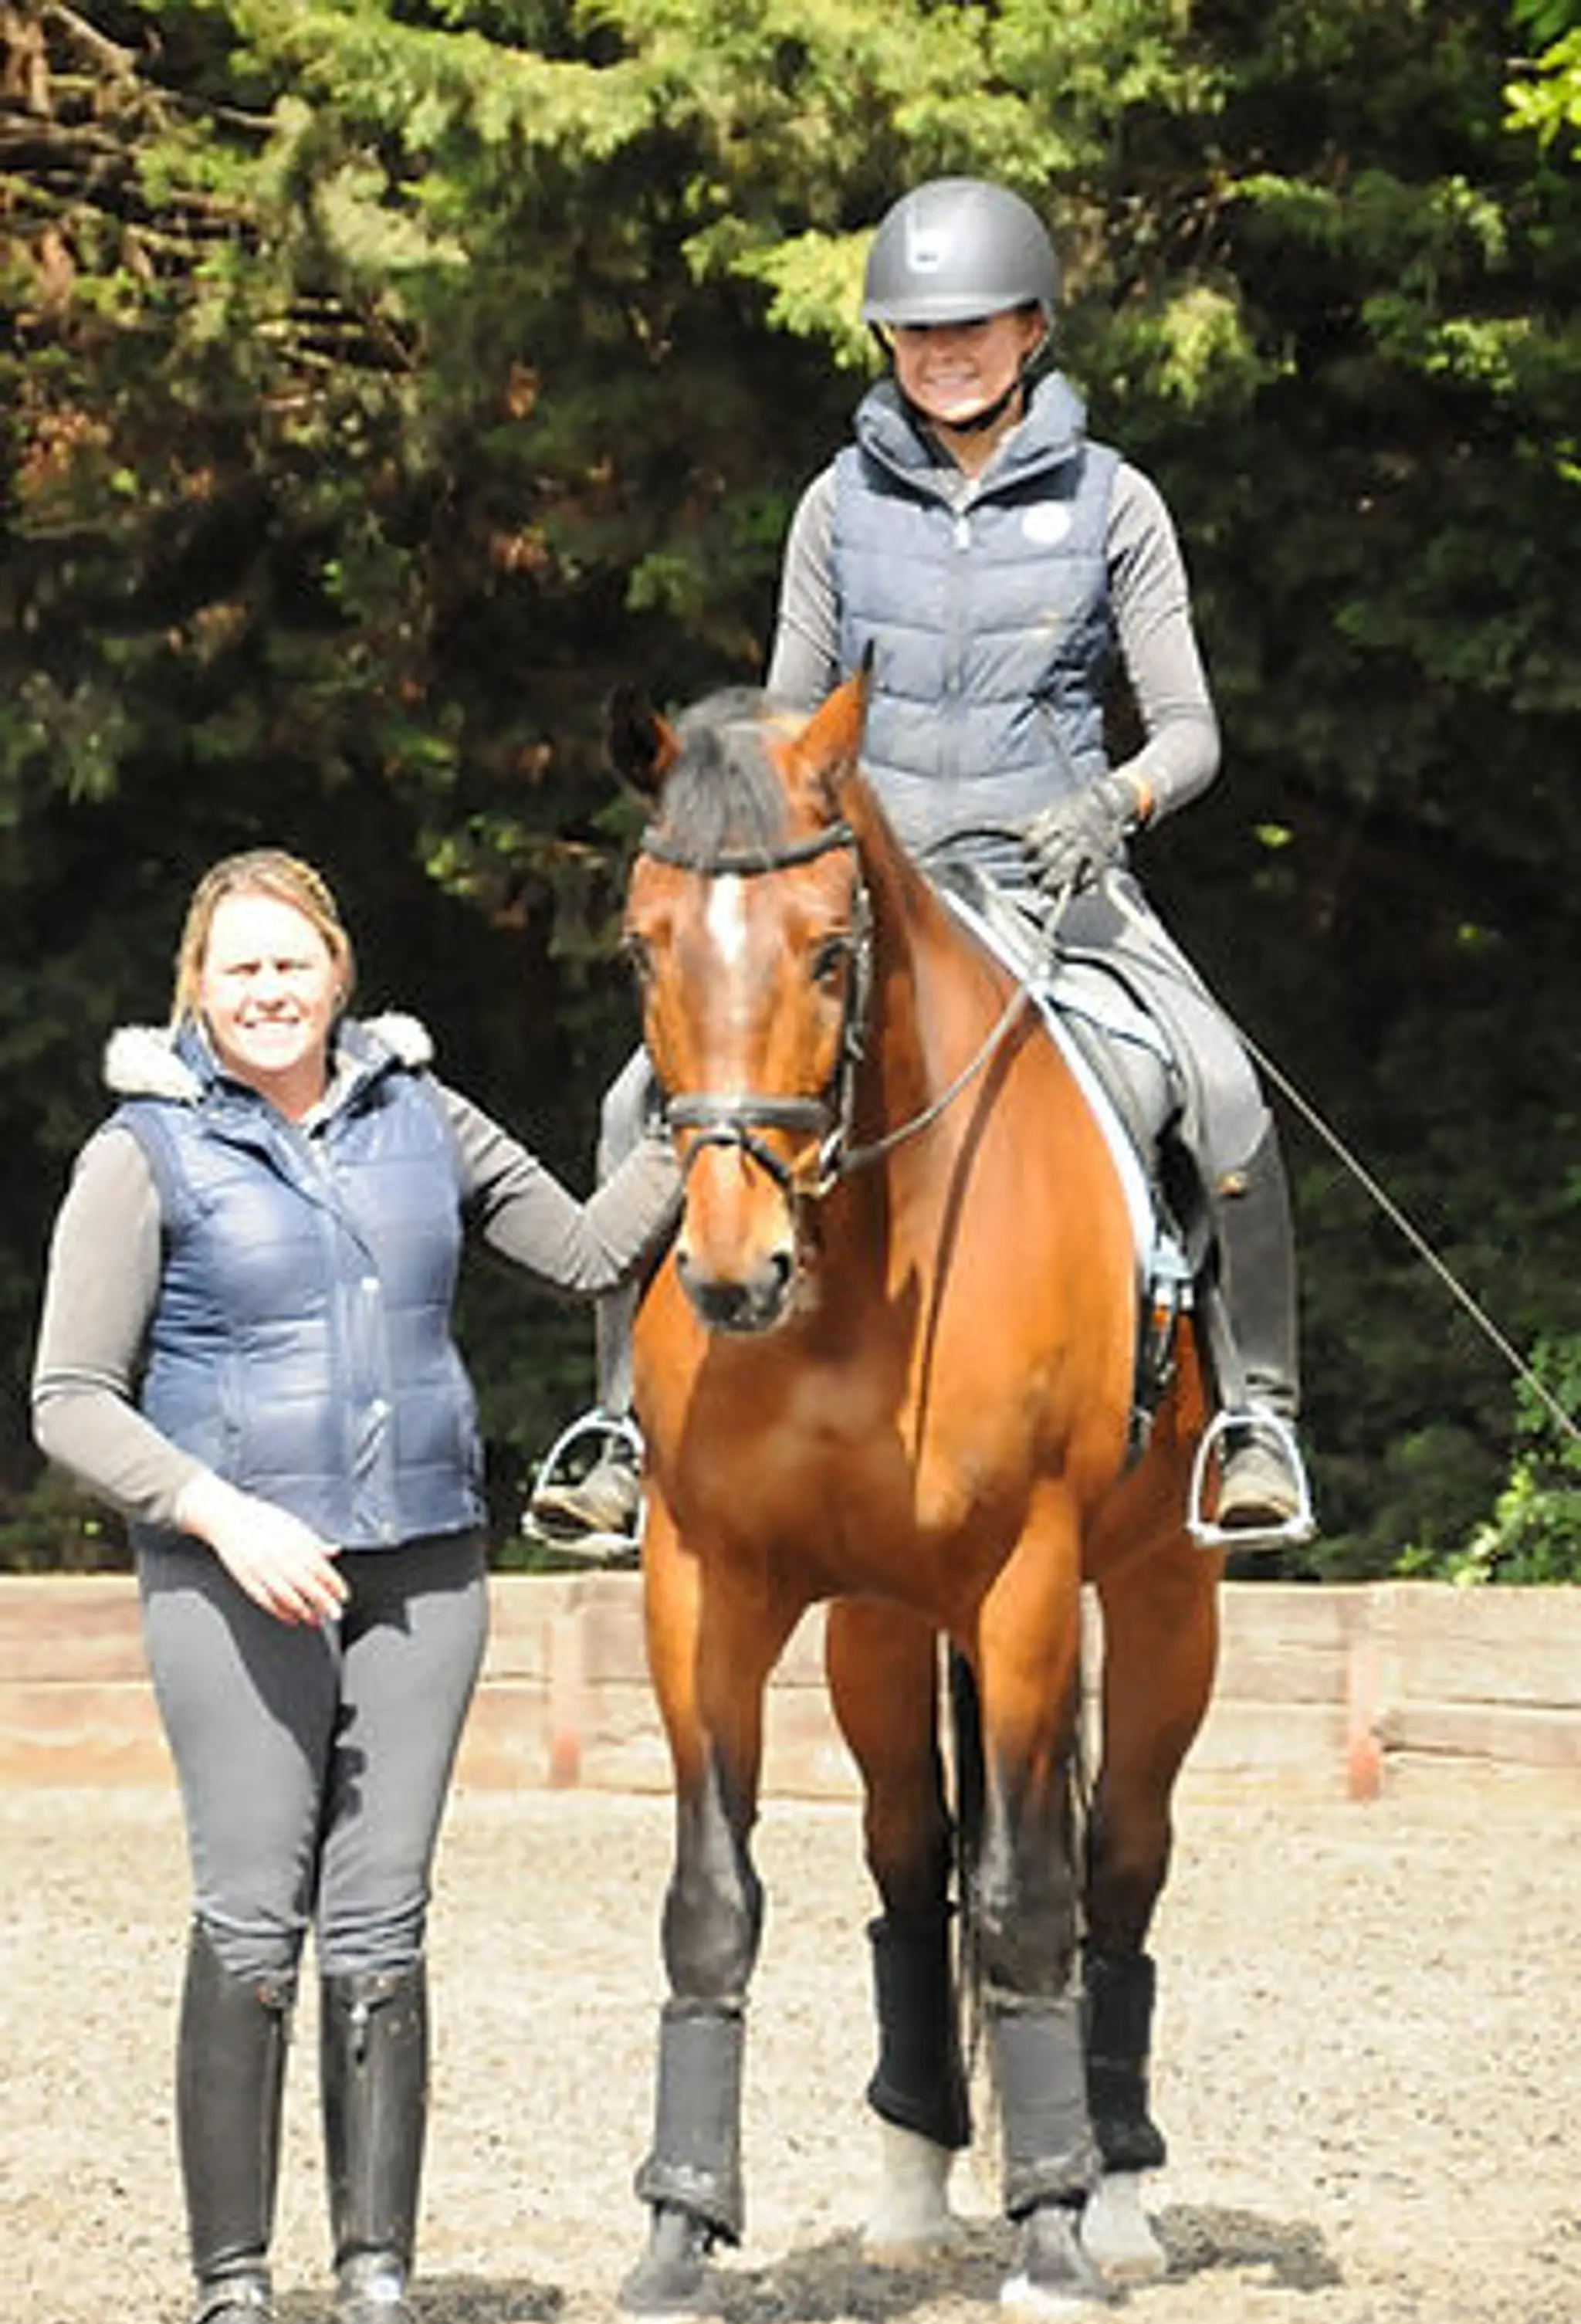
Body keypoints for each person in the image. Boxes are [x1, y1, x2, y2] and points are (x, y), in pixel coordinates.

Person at [530, 174, 1312, 1550]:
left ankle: (1255, 1419)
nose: (944, 353)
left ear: (1032, 330)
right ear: (888, 342)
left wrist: (1114, 801)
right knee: (630, 1105)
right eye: (918, 332)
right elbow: (790, 718)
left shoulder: (1115, 502)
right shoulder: (837, 504)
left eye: (973, 328)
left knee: (1221, 1087)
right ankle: (619, 1425)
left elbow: (1190, 729)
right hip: (865, 885)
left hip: (1054, 876)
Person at [31, 849, 680, 2324]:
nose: (269, 991)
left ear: (338, 971)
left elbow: (590, 1249)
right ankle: (234, 2288)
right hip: (234, 1576)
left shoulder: (424, 1117)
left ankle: (377, 2278)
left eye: (292, 963)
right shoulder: (144, 1150)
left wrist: (702, 1106)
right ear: (199, 988)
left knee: (384, 1922)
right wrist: (220, 1511)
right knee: (255, 1916)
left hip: (425, 1567)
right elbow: (68, 1395)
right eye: (239, 968)